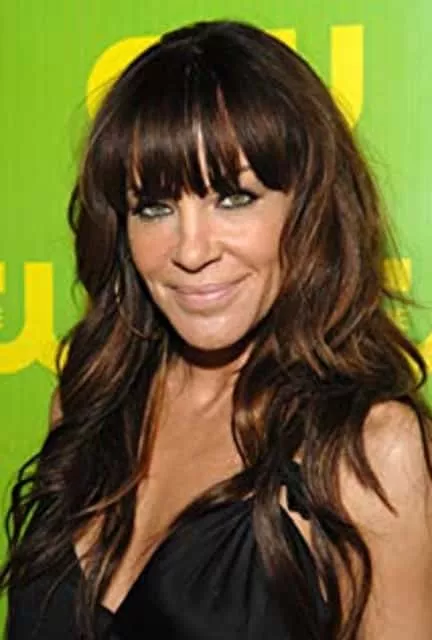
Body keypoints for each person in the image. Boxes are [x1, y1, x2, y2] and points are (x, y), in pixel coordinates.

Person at [1, 18, 432, 640]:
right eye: (154, 207)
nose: (192, 250)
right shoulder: (88, 407)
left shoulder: (369, 450)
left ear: (309, 210)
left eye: (234, 198)